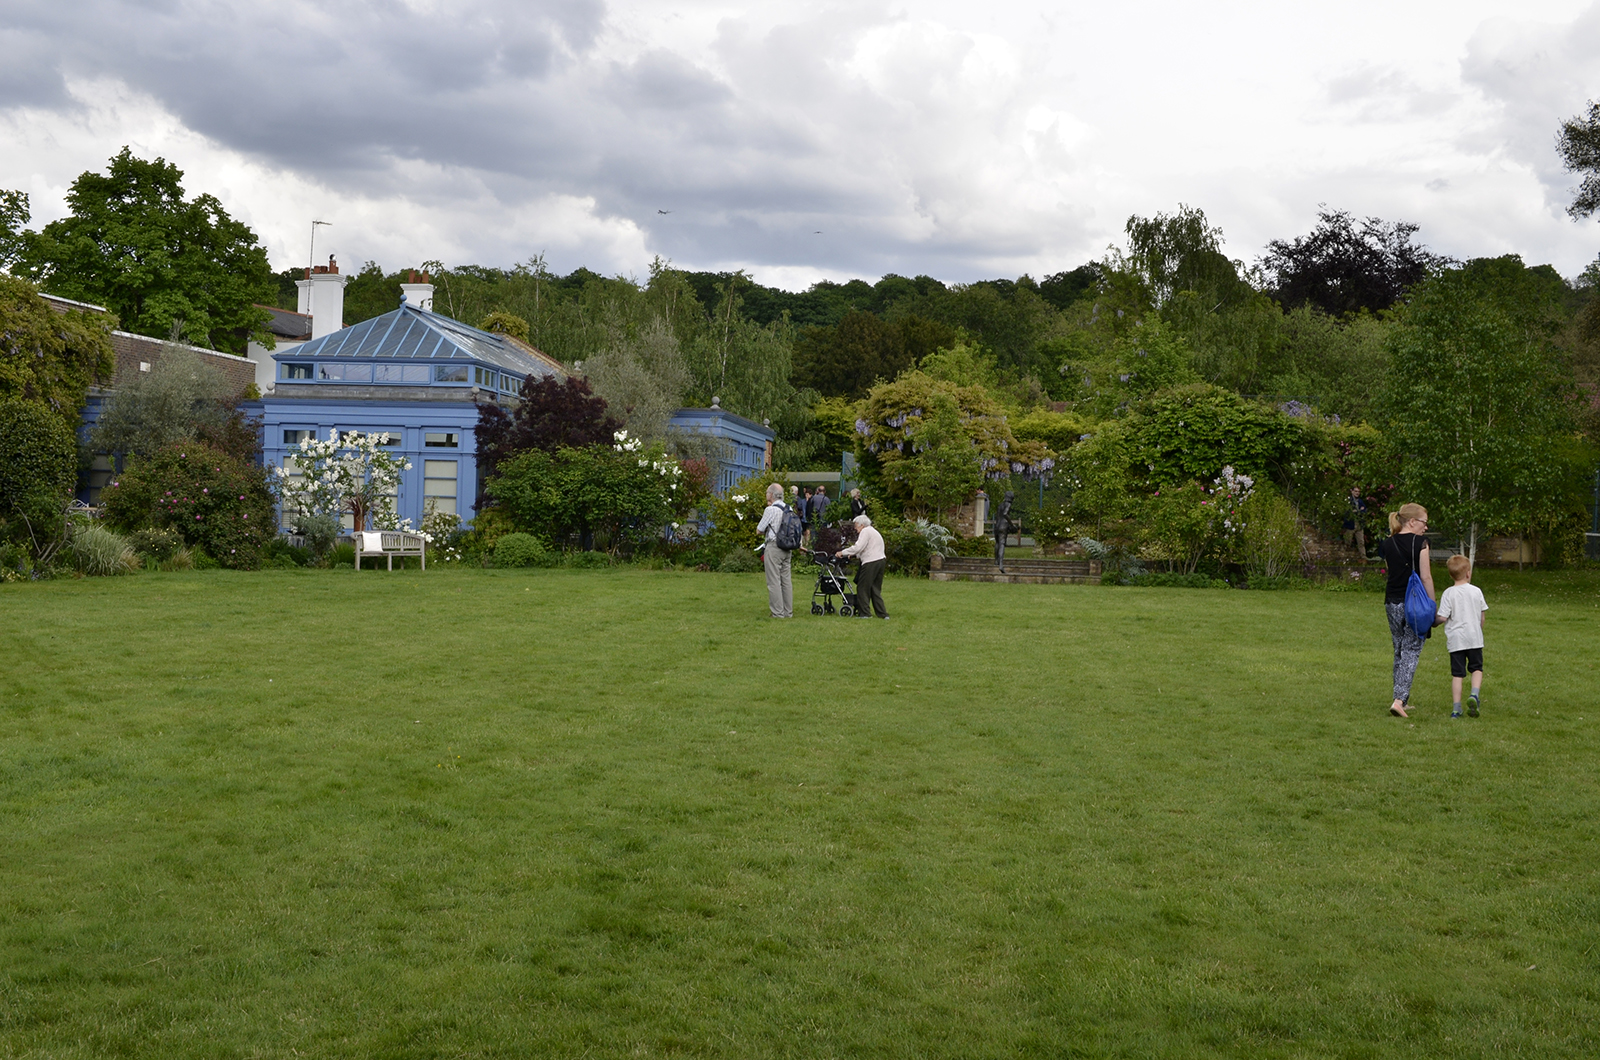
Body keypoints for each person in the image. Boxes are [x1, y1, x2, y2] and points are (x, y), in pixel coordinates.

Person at [1377, 503, 1434, 718]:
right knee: (1411, 650)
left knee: (1399, 649)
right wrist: (1432, 604)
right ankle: (1399, 701)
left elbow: (1392, 572)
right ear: (1412, 521)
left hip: (1391, 601)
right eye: (1424, 522)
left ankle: (1401, 697)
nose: (1425, 528)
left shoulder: (1388, 543)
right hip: (1414, 604)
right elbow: (1426, 577)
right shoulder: (1420, 543)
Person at [1434, 554, 1488, 718]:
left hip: (1456, 640)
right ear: (1468, 573)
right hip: (1474, 638)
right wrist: (1478, 630)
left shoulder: (1448, 593)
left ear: (1451, 575)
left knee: (1458, 674)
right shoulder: (1476, 591)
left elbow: (1443, 617)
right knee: (1476, 668)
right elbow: (1482, 618)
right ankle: (1474, 694)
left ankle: (1456, 708)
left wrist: (1432, 623)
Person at [835, 514, 888, 619]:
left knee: (863, 587)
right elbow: (867, 548)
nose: (855, 528)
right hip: (880, 560)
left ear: (862, 525)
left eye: (856, 525)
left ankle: (865, 613)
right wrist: (854, 554)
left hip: (870, 562)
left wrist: (843, 552)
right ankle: (882, 614)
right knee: (875, 588)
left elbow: (858, 547)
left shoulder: (865, 531)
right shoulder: (874, 531)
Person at [755, 483, 793, 618]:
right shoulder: (789, 508)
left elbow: (759, 530)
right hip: (788, 547)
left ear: (770, 494)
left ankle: (777, 613)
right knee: (786, 580)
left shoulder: (771, 510)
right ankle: (788, 612)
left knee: (773, 581)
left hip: (774, 546)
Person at [993, 491, 1016, 572]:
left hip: (997, 526)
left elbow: (998, 516)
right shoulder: (1008, 504)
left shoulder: (1000, 505)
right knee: (1002, 544)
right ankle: (1001, 565)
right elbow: (1005, 514)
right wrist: (1012, 524)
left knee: (997, 543)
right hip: (1003, 526)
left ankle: (996, 560)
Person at [1344, 487, 1368, 559]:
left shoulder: (1360, 501)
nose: (1357, 493)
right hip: (1351, 523)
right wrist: (1359, 511)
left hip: (1359, 523)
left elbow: (1364, 510)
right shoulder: (1348, 501)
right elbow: (1348, 512)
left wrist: (1358, 511)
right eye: (1356, 491)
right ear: (1352, 491)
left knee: (1361, 541)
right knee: (1348, 541)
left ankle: (1363, 556)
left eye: (1358, 491)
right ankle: (1346, 556)